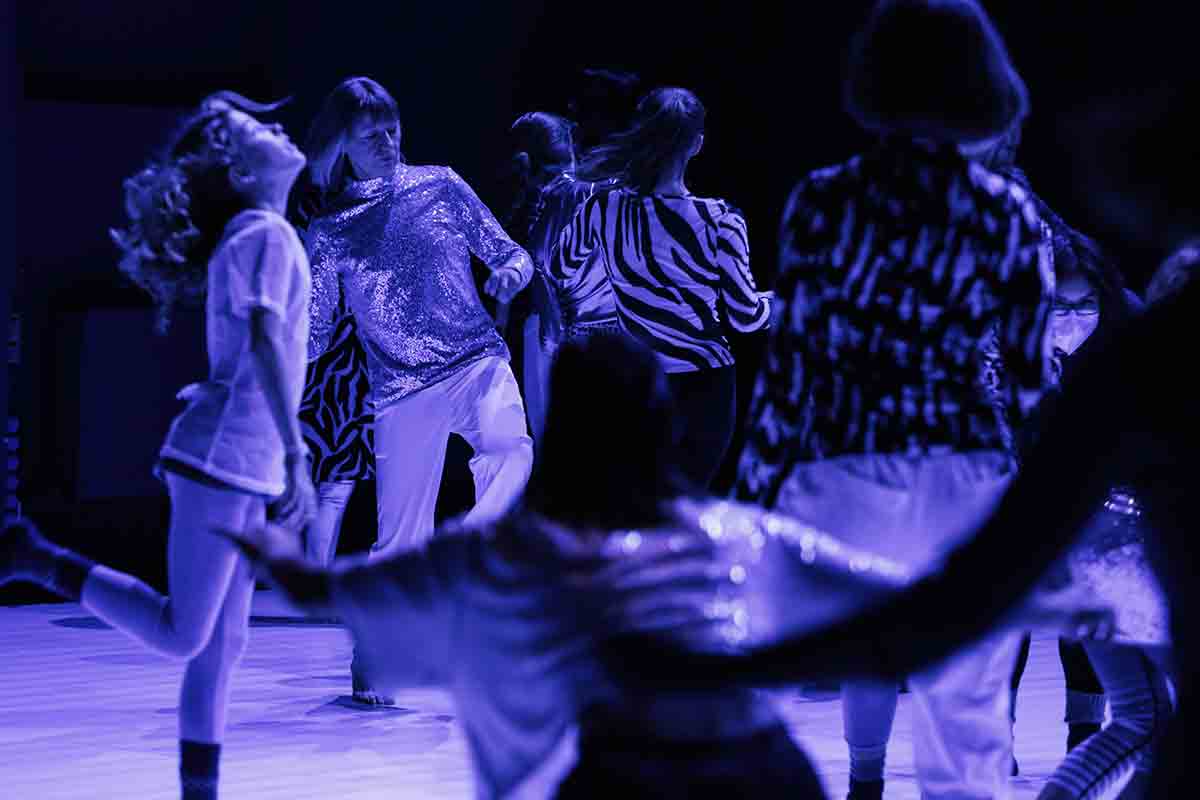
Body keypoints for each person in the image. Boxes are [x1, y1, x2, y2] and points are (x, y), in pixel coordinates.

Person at [229, 332, 921, 800]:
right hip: (766, 775)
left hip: (623, 781)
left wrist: (268, 540)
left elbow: (319, 590)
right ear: (664, 427)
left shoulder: (502, 552)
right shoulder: (737, 536)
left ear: (562, 429)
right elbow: (907, 600)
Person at [732, 2, 1054, 797]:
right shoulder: (1007, 213)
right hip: (967, 483)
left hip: (844, 476)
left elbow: (790, 370)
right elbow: (1030, 385)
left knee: (763, 702)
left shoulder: (824, 200)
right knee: (967, 735)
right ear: (986, 83)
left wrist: (749, 503)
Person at [1, 91, 314, 800]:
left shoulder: (262, 231)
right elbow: (265, 341)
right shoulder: (263, 233)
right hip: (222, 459)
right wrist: (297, 452)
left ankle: (199, 792)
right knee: (183, 634)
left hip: (243, 462)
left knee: (224, 646)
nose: (278, 125)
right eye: (259, 127)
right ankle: (35, 556)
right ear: (241, 171)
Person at [303, 76, 535, 704]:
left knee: (512, 450)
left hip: (475, 360)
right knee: (398, 538)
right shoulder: (332, 230)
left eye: (392, 127)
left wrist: (511, 272)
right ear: (341, 145)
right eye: (370, 134)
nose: (387, 141)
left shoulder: (442, 185)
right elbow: (316, 333)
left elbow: (510, 253)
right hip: (401, 389)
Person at [555, 87, 772, 489]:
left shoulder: (603, 208)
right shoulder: (720, 219)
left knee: (629, 504)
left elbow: (560, 267)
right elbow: (746, 318)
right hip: (705, 387)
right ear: (697, 144)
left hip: (636, 383)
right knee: (681, 508)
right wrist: (779, 303)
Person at [500, 111, 618, 441]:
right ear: (571, 148)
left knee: (556, 440)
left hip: (555, 332)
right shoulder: (595, 192)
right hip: (597, 332)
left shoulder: (539, 205)